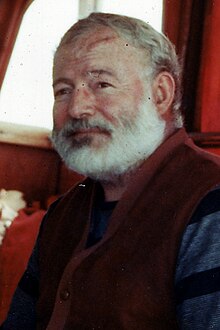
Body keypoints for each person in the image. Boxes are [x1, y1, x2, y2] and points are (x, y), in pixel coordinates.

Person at [2, 12, 220, 329]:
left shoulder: (210, 201)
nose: (77, 108)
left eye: (102, 84)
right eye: (63, 90)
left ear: (160, 94)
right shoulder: (63, 213)